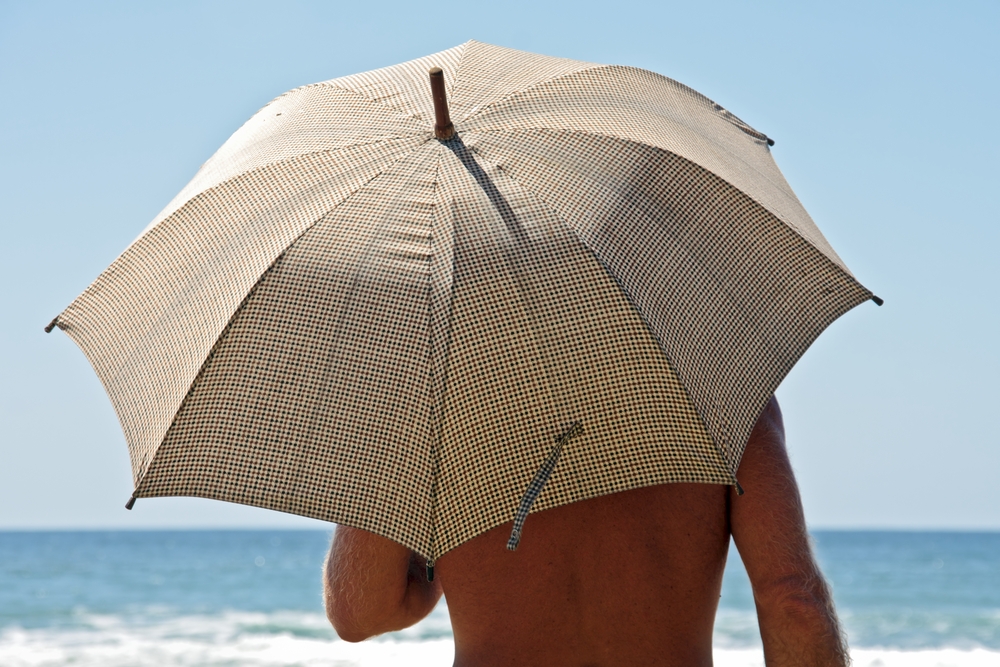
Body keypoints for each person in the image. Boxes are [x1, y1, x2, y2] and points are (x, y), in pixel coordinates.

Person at [323, 396, 850, 666]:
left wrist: (439, 558)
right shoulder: (718, 386)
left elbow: (361, 611)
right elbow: (794, 604)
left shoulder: (427, 404)